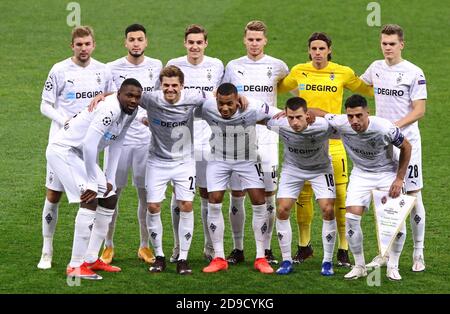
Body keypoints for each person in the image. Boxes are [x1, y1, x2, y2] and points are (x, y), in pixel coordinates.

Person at [277, 32, 373, 267]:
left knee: (339, 198)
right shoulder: (299, 70)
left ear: (329, 49)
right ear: (309, 50)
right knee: (303, 196)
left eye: (322, 48)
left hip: (335, 144)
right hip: (305, 144)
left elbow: (368, 90)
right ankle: (304, 246)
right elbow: (277, 87)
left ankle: (343, 249)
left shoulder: (344, 72)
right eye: (314, 48)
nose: (318, 52)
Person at [46, 78, 142, 279]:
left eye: (137, 96)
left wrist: (110, 178)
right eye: (129, 95)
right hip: (65, 152)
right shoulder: (110, 109)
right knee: (90, 198)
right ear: (119, 94)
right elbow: (90, 144)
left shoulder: (130, 112)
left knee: (110, 197)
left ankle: (90, 259)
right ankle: (75, 265)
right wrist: (91, 181)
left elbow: (118, 142)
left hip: (80, 155)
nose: (133, 100)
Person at [37, 26, 115, 270]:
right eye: (79, 44)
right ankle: (47, 249)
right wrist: (64, 120)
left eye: (87, 44)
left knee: (95, 195)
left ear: (94, 45)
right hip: (62, 142)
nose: (83, 48)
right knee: (53, 195)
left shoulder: (103, 71)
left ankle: (88, 257)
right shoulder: (59, 70)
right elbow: (45, 105)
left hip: (88, 144)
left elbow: (111, 96)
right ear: (72, 46)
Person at [312, 94, 412, 281]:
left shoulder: (384, 128)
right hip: (361, 174)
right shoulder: (342, 123)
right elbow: (319, 113)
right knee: (351, 218)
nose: (354, 121)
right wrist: (305, 114)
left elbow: (407, 147)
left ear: (368, 113)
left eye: (359, 115)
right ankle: (359, 266)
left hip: (386, 173)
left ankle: (393, 265)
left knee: (396, 221)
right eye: (350, 116)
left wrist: (399, 179)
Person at [221, 20, 289, 266]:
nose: (254, 44)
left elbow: (294, 92)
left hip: (269, 137)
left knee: (268, 194)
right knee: (237, 193)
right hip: (240, 135)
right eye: (250, 39)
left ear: (265, 40)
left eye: (258, 39)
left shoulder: (278, 66)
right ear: (244, 40)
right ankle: (238, 248)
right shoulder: (233, 66)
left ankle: (267, 248)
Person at [361, 24, 427, 272]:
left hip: (407, 143)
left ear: (402, 44)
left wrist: (393, 127)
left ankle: (418, 253)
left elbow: (419, 110)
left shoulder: (413, 72)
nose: (387, 48)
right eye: (383, 43)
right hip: (382, 145)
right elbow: (357, 86)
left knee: (413, 196)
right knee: (386, 197)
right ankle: (386, 254)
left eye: (391, 43)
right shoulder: (375, 68)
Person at [198, 83, 279, 274]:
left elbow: (278, 114)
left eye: (229, 104)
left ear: (238, 100)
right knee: (214, 200)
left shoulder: (253, 107)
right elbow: (183, 105)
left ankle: (261, 257)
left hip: (247, 159)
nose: (224, 108)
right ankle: (219, 257)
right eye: (221, 104)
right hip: (219, 159)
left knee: (259, 202)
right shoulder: (208, 106)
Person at [100, 23, 163, 266]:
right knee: (111, 193)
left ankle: (144, 246)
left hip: (146, 141)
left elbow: (158, 99)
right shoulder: (111, 68)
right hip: (117, 140)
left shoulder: (156, 66)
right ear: (125, 42)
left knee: (146, 195)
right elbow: (105, 97)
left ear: (146, 42)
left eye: (140, 39)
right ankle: (108, 246)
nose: (136, 43)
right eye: (131, 39)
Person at [166, 24, 224, 263]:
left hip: (209, 132)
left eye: (199, 42)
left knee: (207, 191)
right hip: (182, 133)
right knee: (179, 192)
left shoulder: (217, 65)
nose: (195, 46)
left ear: (205, 44)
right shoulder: (174, 64)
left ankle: (210, 246)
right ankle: (178, 246)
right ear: (185, 43)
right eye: (191, 42)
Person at [264, 97, 337, 276]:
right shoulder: (279, 123)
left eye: (299, 117)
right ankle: (287, 260)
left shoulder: (322, 125)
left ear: (307, 115)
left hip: (320, 170)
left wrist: (317, 111)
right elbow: (259, 117)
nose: (295, 122)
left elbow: (338, 119)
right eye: (291, 117)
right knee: (282, 209)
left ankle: (327, 261)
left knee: (327, 210)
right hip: (293, 170)